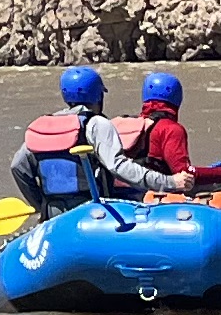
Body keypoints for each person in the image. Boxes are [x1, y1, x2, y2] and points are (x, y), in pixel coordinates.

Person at [10, 65, 185, 213]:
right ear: (97, 96)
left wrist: (41, 204)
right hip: (92, 212)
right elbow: (119, 167)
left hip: (54, 213)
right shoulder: (96, 124)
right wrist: (168, 182)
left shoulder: (44, 127)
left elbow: (18, 166)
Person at [123, 68, 221, 192]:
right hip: (157, 193)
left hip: (126, 191)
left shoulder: (131, 125)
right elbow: (185, 174)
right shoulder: (171, 129)